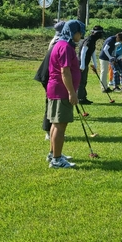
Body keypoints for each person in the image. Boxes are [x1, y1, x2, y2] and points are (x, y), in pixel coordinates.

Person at [46, 19, 85, 169]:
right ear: (73, 32)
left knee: (56, 124)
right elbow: (65, 71)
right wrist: (72, 93)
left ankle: (53, 153)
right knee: (60, 125)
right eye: (80, 33)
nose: (80, 36)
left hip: (57, 89)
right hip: (61, 91)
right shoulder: (66, 47)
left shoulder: (61, 44)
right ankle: (56, 160)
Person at [77, 25, 105, 104]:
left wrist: (95, 64)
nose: (101, 35)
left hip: (85, 63)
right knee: (81, 81)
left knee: (84, 81)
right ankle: (80, 98)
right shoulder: (89, 40)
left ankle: (82, 97)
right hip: (81, 63)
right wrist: (82, 64)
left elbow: (92, 52)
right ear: (97, 34)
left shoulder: (93, 40)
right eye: (101, 33)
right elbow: (83, 51)